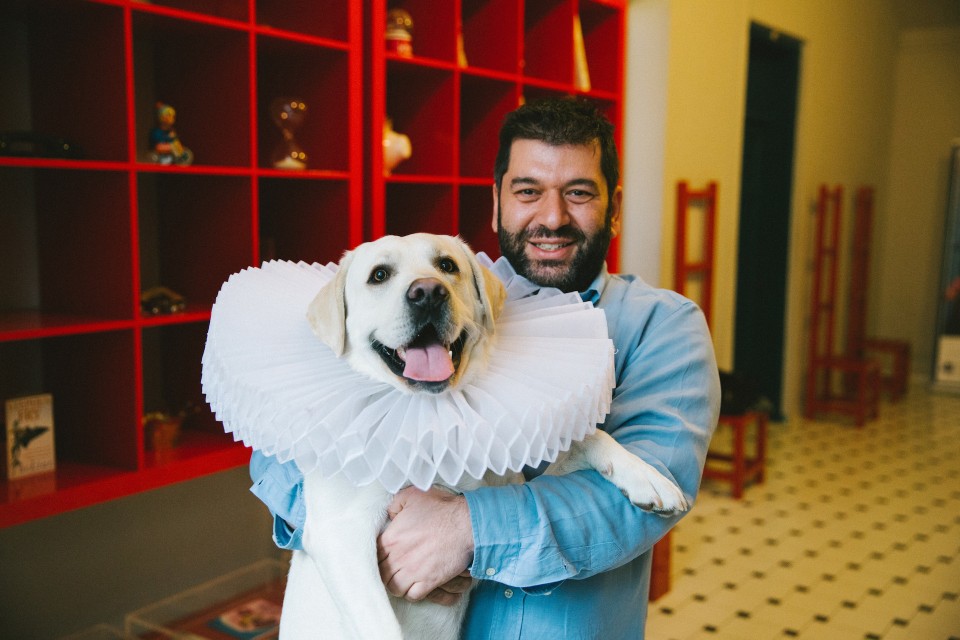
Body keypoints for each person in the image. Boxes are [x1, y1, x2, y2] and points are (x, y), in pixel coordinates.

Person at [249, 97, 720, 638]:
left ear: (614, 208)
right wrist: (378, 540)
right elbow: (278, 454)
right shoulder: (456, 290)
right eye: (528, 191)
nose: (552, 217)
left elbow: (636, 506)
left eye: (578, 193)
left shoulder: (665, 326)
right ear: (496, 204)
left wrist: (462, 531)